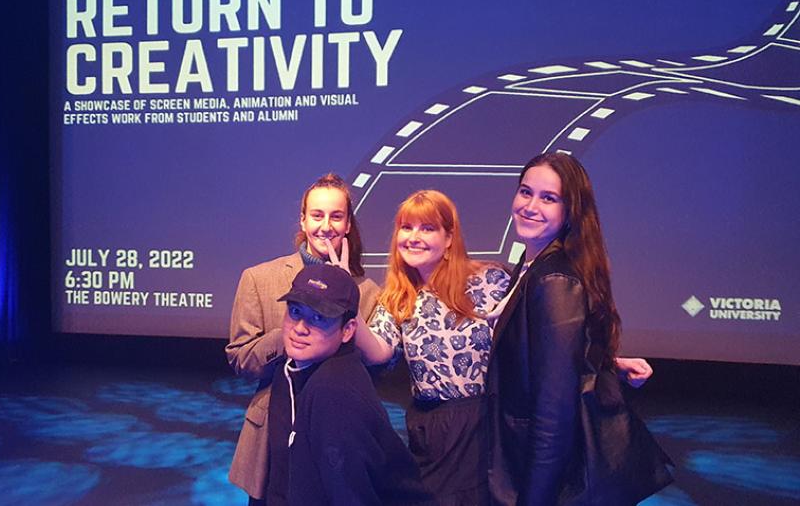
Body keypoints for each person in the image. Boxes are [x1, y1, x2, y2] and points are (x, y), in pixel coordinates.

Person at [352, 190, 653, 505]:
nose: (414, 237)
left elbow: (542, 336)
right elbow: (379, 353)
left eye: (427, 228)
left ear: (449, 238)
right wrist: (347, 292)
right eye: (406, 227)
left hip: (487, 423)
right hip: (434, 433)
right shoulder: (398, 298)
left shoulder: (488, 279)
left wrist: (609, 363)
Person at [486, 153, 650, 505]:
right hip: (521, 461)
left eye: (548, 198)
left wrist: (534, 500)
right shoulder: (533, 265)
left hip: (537, 476)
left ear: (570, 211)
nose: (530, 206)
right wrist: (609, 362)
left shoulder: (554, 279)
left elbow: (554, 411)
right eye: (525, 192)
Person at [226, 173, 381, 503]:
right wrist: (292, 329)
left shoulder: (368, 294)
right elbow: (241, 360)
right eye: (317, 215)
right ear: (303, 219)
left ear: (348, 224)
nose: (326, 226)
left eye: (336, 216)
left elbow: (372, 370)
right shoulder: (258, 278)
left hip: (336, 439)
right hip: (272, 438)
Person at [266, 264, 433, 505]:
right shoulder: (292, 370)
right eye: (295, 312)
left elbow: (351, 493)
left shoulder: (333, 390)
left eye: (318, 318)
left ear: (347, 330)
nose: (300, 328)